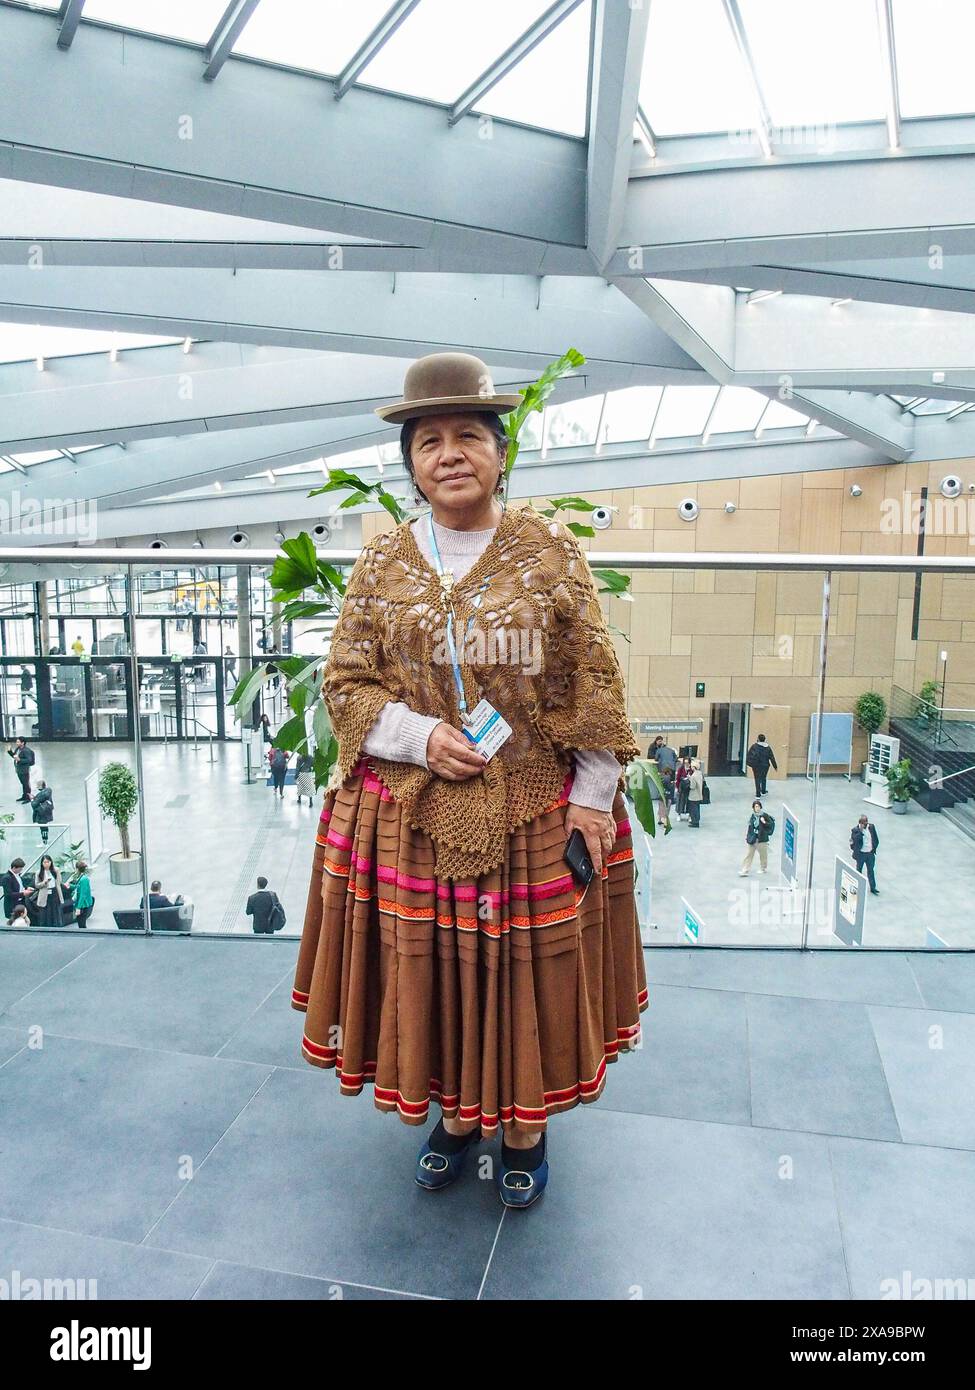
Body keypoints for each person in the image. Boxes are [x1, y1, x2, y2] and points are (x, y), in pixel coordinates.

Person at [291, 351, 647, 1210]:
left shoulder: (549, 551)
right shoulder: (382, 565)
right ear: (411, 466)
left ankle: (523, 1127)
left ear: (499, 453)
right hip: (412, 810)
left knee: (523, 975)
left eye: (467, 436)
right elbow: (347, 682)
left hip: (534, 803)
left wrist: (593, 804)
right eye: (429, 442)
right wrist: (418, 738)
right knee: (435, 972)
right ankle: (454, 1115)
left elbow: (592, 682)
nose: (449, 453)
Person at [739, 800, 775, 876]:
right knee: (749, 854)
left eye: (758, 806)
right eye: (756, 807)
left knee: (763, 854)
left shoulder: (764, 815)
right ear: (753, 808)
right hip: (753, 838)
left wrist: (764, 822)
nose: (757, 808)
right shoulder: (752, 816)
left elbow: (770, 825)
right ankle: (745, 869)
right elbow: (750, 827)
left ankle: (763, 868)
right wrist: (748, 836)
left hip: (761, 838)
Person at [851, 814, 880, 895]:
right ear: (860, 823)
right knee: (859, 871)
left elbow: (875, 838)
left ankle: (873, 888)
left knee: (871, 870)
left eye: (866, 822)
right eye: (864, 823)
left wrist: (874, 847)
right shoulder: (855, 830)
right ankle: (858, 888)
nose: (866, 824)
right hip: (861, 855)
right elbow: (854, 841)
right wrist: (860, 831)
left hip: (870, 854)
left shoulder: (871, 827)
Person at [33, 855, 65, 927]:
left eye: (48, 862)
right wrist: (44, 882)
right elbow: (37, 885)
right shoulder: (39, 872)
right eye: (45, 862)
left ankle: (56, 926)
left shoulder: (56, 870)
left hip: (54, 892)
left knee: (55, 911)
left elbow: (59, 882)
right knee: (45, 913)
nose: (46, 864)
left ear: (51, 862)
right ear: (42, 863)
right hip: (44, 893)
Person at [1, 857, 34, 921]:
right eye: (20, 869)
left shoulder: (17, 875)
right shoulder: (7, 878)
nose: (21, 870)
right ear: (14, 868)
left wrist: (26, 888)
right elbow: (8, 894)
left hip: (20, 903)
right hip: (12, 905)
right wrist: (23, 893)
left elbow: (19, 886)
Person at [7, 736, 35, 802]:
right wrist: (10, 752)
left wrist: (20, 760)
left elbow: (29, 760)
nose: (16, 743)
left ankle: (28, 797)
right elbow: (15, 756)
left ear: (22, 743)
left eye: (18, 742)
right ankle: (24, 796)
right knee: (23, 783)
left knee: (26, 784)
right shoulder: (18, 749)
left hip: (24, 770)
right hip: (19, 769)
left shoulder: (26, 751)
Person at [71, 859, 95, 928]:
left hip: (83, 905)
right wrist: (71, 886)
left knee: (81, 923)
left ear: (77, 869)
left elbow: (83, 894)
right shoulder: (82, 878)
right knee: (81, 923)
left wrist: (78, 907)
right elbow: (79, 887)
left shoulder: (83, 879)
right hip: (82, 904)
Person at [31, 780, 54, 844]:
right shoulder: (48, 791)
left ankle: (45, 842)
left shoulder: (41, 795)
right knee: (44, 828)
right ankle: (45, 841)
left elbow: (34, 804)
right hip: (46, 812)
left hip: (41, 813)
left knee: (43, 829)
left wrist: (32, 799)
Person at [685, 759, 704, 827]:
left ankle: (694, 821)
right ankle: (697, 820)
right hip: (699, 794)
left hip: (693, 795)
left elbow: (692, 786)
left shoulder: (693, 776)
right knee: (697, 808)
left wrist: (689, 779)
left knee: (693, 809)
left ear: (694, 767)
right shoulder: (700, 774)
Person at [675, 755, 693, 820]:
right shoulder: (681, 768)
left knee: (689, 801)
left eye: (687, 763)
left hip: (689, 787)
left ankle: (689, 815)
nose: (686, 764)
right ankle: (679, 814)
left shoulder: (691, 769)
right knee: (680, 801)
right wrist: (677, 787)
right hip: (681, 787)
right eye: (685, 763)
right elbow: (678, 778)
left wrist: (689, 777)